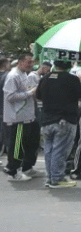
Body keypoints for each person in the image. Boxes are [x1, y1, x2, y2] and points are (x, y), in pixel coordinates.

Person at [36, 59, 81, 188]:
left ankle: (50, 177)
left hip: (47, 118)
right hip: (65, 118)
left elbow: (38, 95)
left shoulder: (45, 78)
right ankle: (57, 178)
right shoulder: (72, 79)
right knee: (60, 150)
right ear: (68, 66)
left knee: (49, 149)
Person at [4, 53, 40, 181]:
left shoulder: (24, 74)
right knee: (17, 145)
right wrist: (29, 93)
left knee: (28, 143)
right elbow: (10, 96)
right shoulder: (13, 76)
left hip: (27, 116)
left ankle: (25, 167)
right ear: (20, 62)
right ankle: (13, 171)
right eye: (28, 62)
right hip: (17, 117)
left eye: (32, 62)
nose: (31, 64)